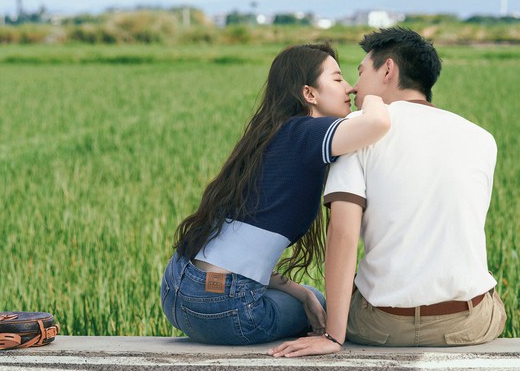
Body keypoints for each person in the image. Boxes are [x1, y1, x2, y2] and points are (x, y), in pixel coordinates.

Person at [270, 27, 506, 357]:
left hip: (380, 327)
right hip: (466, 326)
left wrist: (333, 337)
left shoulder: (358, 132)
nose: (354, 86)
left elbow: (343, 234)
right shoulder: (480, 138)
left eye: (361, 72)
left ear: (388, 70)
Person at [161, 43, 391, 345]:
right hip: (223, 310)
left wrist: (301, 293)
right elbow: (377, 123)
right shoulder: (305, 132)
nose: (349, 87)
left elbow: (242, 252)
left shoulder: (273, 135)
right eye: (337, 79)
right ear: (309, 94)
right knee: (326, 307)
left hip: (176, 290)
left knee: (311, 297)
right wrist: (373, 94)